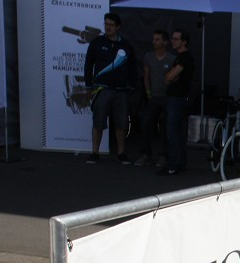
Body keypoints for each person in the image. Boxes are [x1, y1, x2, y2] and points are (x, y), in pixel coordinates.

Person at [83, 12, 138, 165]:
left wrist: (132, 86)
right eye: (106, 24)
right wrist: (88, 86)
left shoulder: (126, 45)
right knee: (98, 121)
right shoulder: (97, 42)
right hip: (101, 89)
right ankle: (95, 153)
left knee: (121, 123)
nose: (108, 27)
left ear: (118, 27)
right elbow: (88, 64)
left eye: (111, 25)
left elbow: (133, 67)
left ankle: (121, 153)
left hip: (121, 91)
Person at [134, 30, 176, 168]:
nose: (154, 42)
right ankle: (145, 154)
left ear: (165, 42)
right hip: (153, 97)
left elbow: (175, 77)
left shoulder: (171, 58)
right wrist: (148, 91)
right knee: (146, 124)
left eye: (157, 39)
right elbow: (146, 75)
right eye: (153, 39)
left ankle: (163, 156)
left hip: (167, 98)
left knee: (165, 127)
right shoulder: (148, 57)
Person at [160, 29, 194, 176]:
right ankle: (179, 163)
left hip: (177, 97)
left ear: (183, 41)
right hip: (179, 97)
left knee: (173, 132)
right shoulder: (182, 57)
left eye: (176, 39)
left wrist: (171, 76)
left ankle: (173, 164)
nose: (173, 41)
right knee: (178, 131)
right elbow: (169, 77)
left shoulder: (183, 58)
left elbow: (168, 77)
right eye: (172, 38)